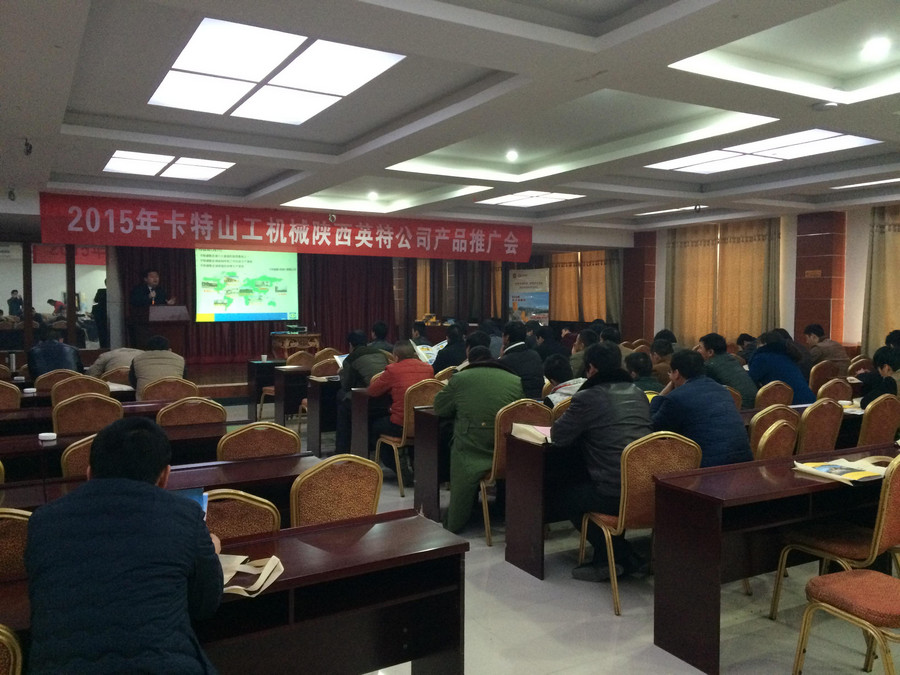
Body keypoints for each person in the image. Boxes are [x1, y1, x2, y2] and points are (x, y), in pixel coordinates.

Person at [25, 417, 222, 674]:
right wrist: (210, 552)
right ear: (165, 477)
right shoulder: (185, 515)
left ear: (89, 473)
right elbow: (205, 605)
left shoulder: (42, 521)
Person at [547, 342, 653, 582]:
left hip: (613, 492)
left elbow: (559, 436)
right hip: (644, 486)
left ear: (591, 368)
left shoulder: (588, 397)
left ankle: (610, 557)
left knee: (561, 494)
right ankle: (623, 556)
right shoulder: (637, 392)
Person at [433, 346, 523, 532]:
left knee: (451, 443)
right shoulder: (514, 379)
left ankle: (454, 522)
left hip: (471, 448)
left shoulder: (460, 378)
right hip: (506, 452)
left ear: (470, 360)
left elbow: (440, 408)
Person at [650, 349, 752, 467]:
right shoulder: (722, 390)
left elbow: (654, 428)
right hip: (745, 462)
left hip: (708, 467)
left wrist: (661, 395)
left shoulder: (676, 398)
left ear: (676, 373)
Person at [367, 341, 434, 483]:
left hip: (401, 424)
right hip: (424, 424)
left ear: (396, 356)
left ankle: (397, 466)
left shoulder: (393, 370)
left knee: (375, 425)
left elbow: (373, 391)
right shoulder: (428, 368)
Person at [335, 329, 389, 452]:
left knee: (341, 396)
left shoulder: (351, 358)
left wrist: (342, 373)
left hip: (368, 401)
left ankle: (342, 448)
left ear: (350, 345)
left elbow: (346, 386)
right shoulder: (381, 354)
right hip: (386, 399)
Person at [747, 330, 815, 404]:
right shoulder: (788, 356)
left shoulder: (762, 357)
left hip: (790, 404)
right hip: (810, 403)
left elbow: (749, 383)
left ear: (764, 344)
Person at [698, 332, 758, 408]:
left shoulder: (710, 366)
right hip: (756, 404)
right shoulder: (732, 359)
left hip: (739, 407)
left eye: (700, 348)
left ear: (710, 352)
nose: (698, 351)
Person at [130, 335, 186, 399]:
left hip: (146, 402)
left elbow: (133, 382)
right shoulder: (180, 359)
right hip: (175, 402)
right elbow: (184, 382)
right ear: (170, 350)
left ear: (146, 350)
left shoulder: (136, 360)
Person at [500, 321, 544, 399]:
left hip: (515, 403)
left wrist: (500, 358)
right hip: (538, 402)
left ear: (507, 337)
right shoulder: (535, 355)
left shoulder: (504, 361)